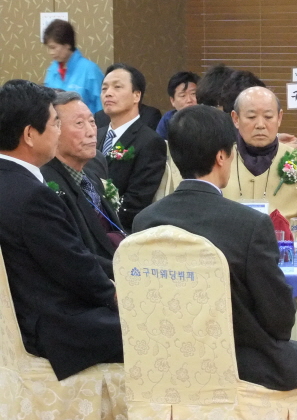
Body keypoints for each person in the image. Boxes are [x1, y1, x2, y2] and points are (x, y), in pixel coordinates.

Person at [133, 104, 297, 420]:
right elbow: (279, 320)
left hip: (165, 357)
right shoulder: (249, 225)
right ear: (222, 156)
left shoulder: (145, 221)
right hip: (245, 361)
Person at [0, 80, 122, 380]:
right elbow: (73, 265)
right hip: (55, 327)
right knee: (158, 326)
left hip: (28, 314)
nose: (58, 132)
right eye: (56, 124)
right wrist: (117, 295)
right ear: (30, 134)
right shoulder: (31, 196)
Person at [41, 91, 124, 278]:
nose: (91, 132)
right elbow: (70, 257)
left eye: (92, 122)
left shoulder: (92, 173)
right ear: (54, 130)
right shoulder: (47, 184)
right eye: (79, 123)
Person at [221, 86, 297, 220]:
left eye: (268, 117)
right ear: (236, 119)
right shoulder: (220, 161)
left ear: (279, 118)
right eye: (251, 117)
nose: (260, 125)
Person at [96, 63, 167, 232]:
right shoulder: (96, 135)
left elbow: (137, 202)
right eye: (104, 88)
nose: (108, 93)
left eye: (117, 87)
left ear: (136, 95)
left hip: (120, 230)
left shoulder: (150, 141)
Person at [43, 19, 104, 114]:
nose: (51, 52)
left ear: (67, 45)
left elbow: (102, 108)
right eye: (49, 48)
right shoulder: (52, 71)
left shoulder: (90, 71)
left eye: (53, 47)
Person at [155, 71, 200, 140]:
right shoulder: (168, 119)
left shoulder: (210, 119)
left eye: (193, 94)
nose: (189, 100)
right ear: (172, 101)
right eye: (183, 95)